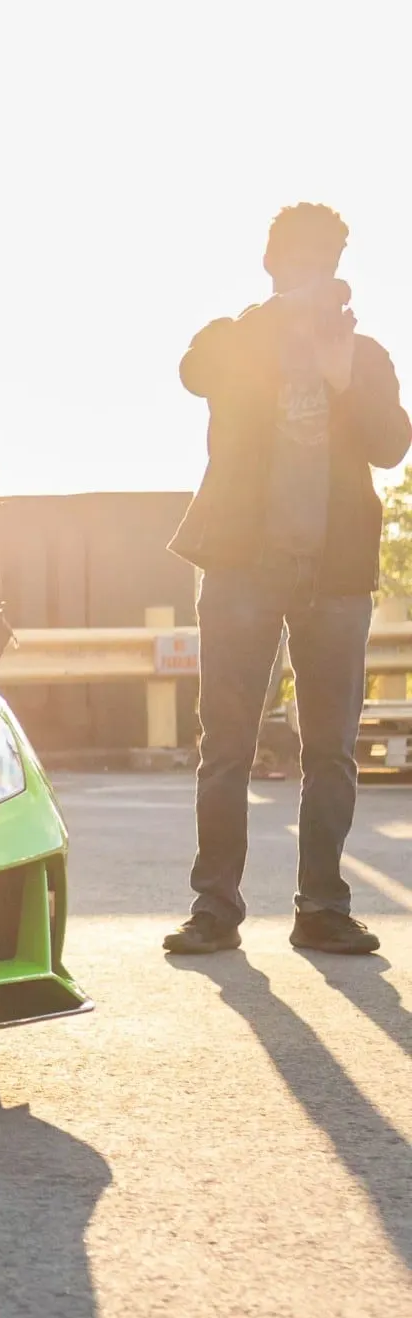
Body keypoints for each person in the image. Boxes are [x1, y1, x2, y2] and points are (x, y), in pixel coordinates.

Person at [163, 202, 412, 958]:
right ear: (272, 266)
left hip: (334, 574)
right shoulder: (234, 338)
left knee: (332, 747)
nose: (316, 279)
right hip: (241, 567)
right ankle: (215, 908)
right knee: (227, 745)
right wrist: (277, 321)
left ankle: (322, 908)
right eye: (301, 264)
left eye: (328, 265)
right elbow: (192, 371)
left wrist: (343, 381)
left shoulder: (362, 354)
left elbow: (393, 444)